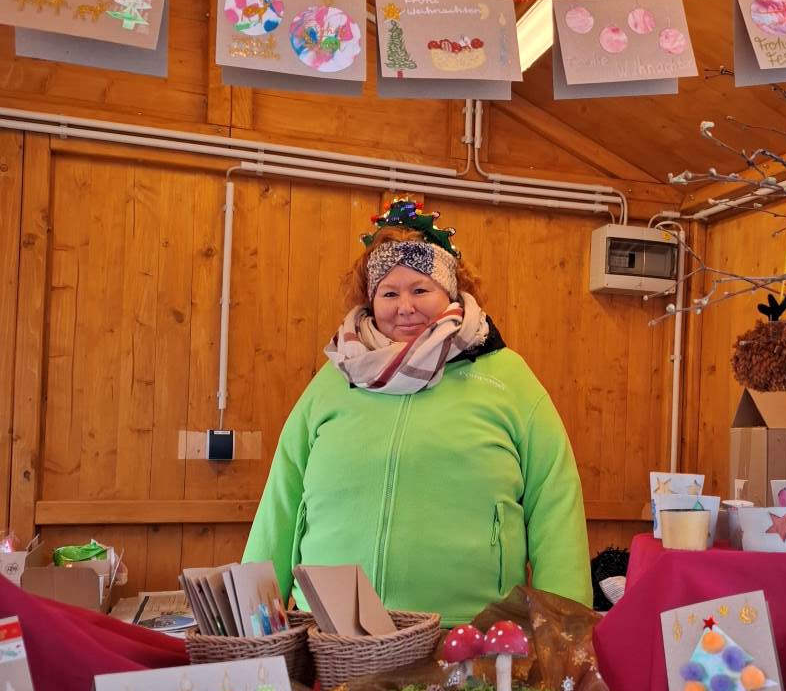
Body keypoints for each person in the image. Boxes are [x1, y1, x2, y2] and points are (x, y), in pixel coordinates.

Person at [244, 198, 591, 626]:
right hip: (332, 632)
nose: (404, 306)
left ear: (451, 293)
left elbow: (554, 499)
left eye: (420, 289)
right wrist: (252, 614)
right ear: (371, 302)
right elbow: (283, 496)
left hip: (468, 630)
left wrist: (565, 624)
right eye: (389, 293)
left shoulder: (506, 375)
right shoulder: (334, 379)